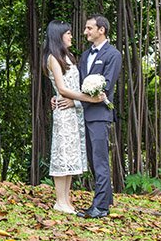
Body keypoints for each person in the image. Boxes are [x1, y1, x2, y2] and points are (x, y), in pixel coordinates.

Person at [57, 14, 120, 219]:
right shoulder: (85, 55)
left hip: (100, 115)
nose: (85, 32)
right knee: (94, 161)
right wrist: (70, 100)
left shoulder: (113, 55)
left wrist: (78, 100)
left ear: (101, 30)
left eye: (89, 28)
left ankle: (100, 207)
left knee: (100, 160)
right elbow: (77, 85)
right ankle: (105, 199)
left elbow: (106, 86)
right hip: (83, 114)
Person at [42, 20, 101, 215]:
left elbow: (73, 87)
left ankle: (65, 198)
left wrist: (78, 102)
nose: (71, 36)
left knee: (71, 156)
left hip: (74, 111)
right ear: (58, 36)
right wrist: (88, 99)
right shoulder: (53, 58)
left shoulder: (68, 57)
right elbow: (62, 88)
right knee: (62, 153)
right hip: (63, 113)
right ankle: (59, 200)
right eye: (68, 33)